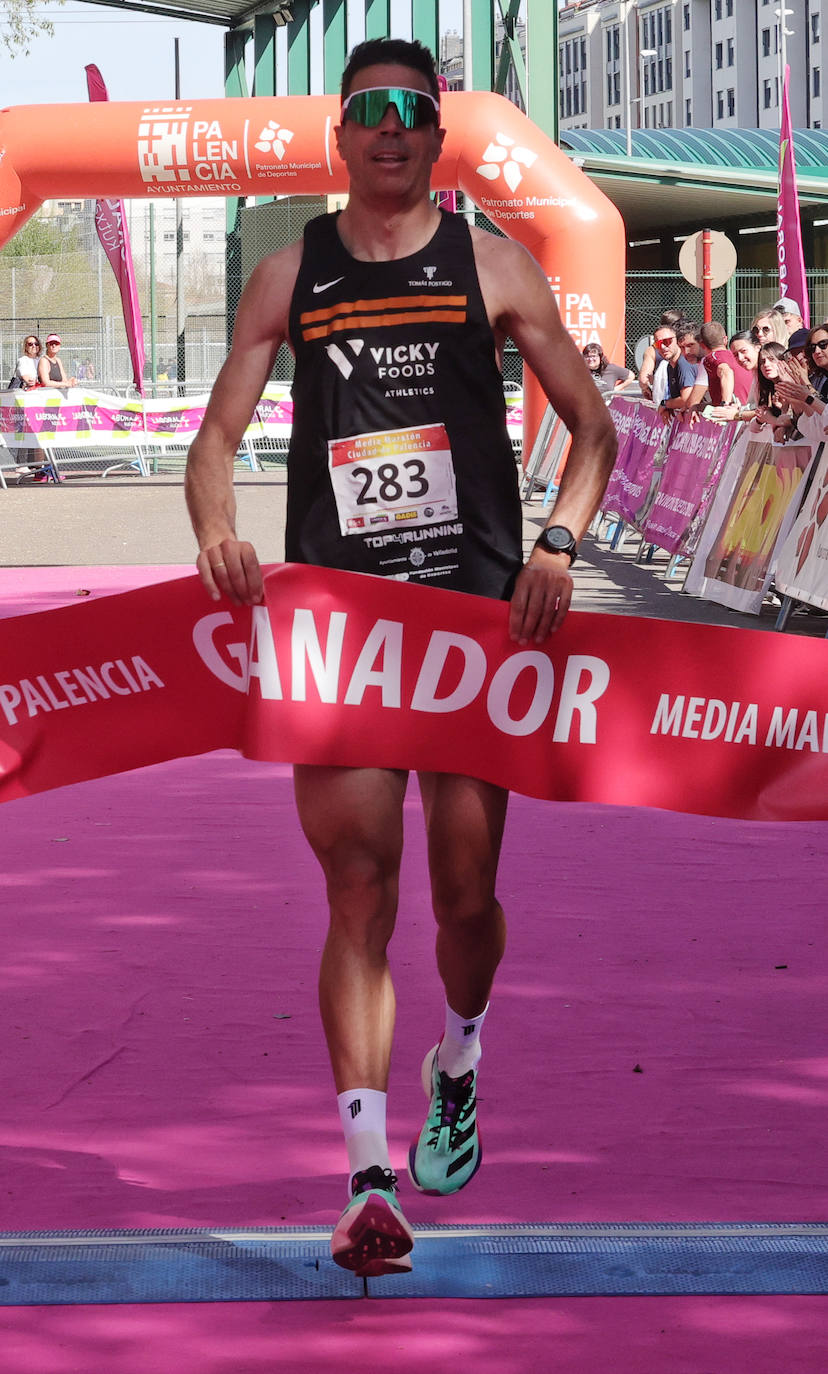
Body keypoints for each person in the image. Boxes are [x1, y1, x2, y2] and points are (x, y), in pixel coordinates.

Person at [185, 37, 617, 1280]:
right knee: (359, 892)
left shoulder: (493, 268)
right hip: (342, 640)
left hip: (478, 632)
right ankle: (370, 1176)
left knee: (466, 899)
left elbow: (591, 431)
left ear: (439, 139)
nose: (388, 130)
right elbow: (215, 438)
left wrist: (560, 543)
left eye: (410, 112)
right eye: (367, 110)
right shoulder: (291, 273)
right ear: (342, 135)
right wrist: (217, 525)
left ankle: (461, 1057)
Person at [697, 321, 754, 407]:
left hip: (733, 414)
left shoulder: (712, 358)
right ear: (725, 340)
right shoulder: (739, 357)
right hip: (749, 409)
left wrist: (725, 404)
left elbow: (726, 372)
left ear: (702, 345)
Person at [638, 308, 685, 403]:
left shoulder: (651, 350)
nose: (664, 347)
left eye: (669, 342)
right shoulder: (687, 345)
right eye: (659, 344)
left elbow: (644, 379)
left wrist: (648, 388)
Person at [653, 323, 697, 420]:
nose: (663, 347)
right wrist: (669, 408)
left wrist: (665, 404)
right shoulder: (670, 366)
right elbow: (677, 399)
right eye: (658, 344)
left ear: (677, 340)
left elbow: (685, 399)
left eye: (667, 341)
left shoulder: (684, 363)